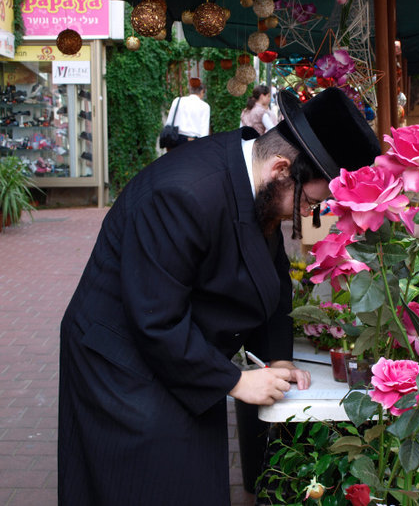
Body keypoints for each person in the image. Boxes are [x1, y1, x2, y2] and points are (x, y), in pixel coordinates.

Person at [58, 87, 380, 506]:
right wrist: (236, 380)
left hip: (178, 346)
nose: (308, 215)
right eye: (312, 202)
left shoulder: (258, 180)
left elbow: (274, 278)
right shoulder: (181, 193)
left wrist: (277, 356)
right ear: (282, 168)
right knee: (144, 480)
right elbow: (155, 319)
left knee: (195, 473)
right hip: (119, 359)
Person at [164, 82, 210, 149]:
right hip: (192, 142)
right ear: (202, 91)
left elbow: (169, 123)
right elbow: (204, 132)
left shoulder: (177, 101)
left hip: (176, 140)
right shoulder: (205, 106)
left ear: (190, 90)